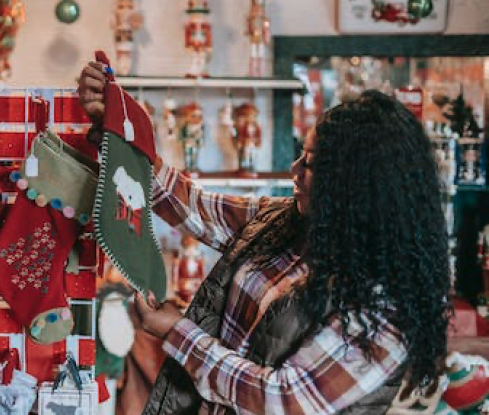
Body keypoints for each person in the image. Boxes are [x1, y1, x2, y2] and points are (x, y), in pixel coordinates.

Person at [77, 61, 451, 414]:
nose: (294, 170)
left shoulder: (384, 309)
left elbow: (282, 400)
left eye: (310, 163)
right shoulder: (287, 222)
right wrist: (118, 130)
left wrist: (178, 332)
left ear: (359, 184)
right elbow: (192, 205)